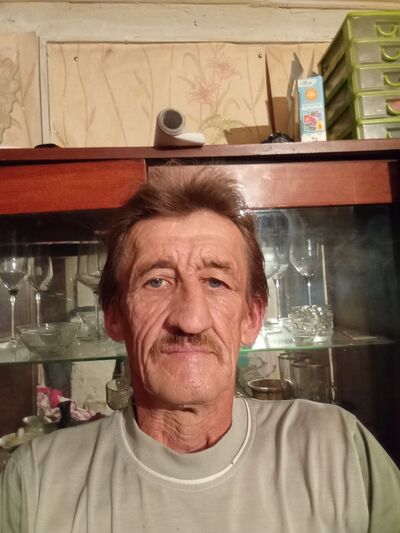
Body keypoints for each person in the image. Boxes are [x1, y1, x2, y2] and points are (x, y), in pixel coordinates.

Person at [1, 168, 400, 533]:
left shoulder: (340, 450)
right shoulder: (36, 482)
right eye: (156, 282)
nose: (190, 320)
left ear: (252, 317)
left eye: (215, 282)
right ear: (114, 315)